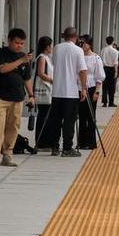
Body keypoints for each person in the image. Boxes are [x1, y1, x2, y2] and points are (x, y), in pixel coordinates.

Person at [0, 28, 35, 167]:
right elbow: (2, 69)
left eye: (22, 43)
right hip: (0, 97)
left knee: (13, 126)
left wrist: (31, 95)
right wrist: (21, 60)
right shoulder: (0, 53)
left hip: (17, 97)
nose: (19, 46)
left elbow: (27, 78)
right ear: (9, 41)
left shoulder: (24, 58)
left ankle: (8, 154)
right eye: (17, 43)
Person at [48, 27, 88, 157]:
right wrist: (84, 88)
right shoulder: (78, 50)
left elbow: (53, 64)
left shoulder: (56, 48)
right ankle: (67, 148)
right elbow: (83, 71)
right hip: (71, 92)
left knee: (56, 121)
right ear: (76, 38)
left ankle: (54, 147)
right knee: (69, 122)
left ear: (64, 36)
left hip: (56, 91)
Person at [77, 35, 105, 149]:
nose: (82, 45)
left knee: (91, 116)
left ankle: (91, 142)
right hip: (79, 88)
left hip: (91, 88)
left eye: (84, 43)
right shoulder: (79, 56)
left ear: (90, 44)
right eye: (81, 43)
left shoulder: (96, 58)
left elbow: (100, 76)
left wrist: (97, 92)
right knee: (81, 116)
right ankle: (81, 142)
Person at [33, 36, 54, 149]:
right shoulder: (42, 58)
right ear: (47, 46)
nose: (52, 47)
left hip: (47, 89)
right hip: (45, 89)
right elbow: (41, 73)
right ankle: (42, 142)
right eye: (51, 45)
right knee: (43, 116)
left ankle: (44, 141)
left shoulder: (46, 57)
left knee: (45, 116)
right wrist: (52, 80)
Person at [100, 36, 119, 107]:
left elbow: (101, 60)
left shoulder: (103, 50)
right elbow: (115, 63)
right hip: (112, 69)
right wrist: (116, 72)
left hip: (104, 69)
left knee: (104, 86)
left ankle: (104, 102)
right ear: (113, 42)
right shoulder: (115, 51)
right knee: (111, 86)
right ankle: (111, 102)